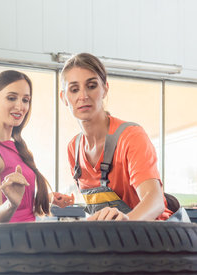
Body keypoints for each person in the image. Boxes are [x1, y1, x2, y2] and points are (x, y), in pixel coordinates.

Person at [59, 52, 174, 221]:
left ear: (105, 88)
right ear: (64, 98)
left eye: (91, 86)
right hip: (113, 242)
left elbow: (155, 202)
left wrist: (125, 226)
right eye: (74, 89)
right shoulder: (73, 150)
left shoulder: (130, 137)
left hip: (156, 239)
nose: (83, 96)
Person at [0, 70, 74, 223]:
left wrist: (49, 198)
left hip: (29, 238)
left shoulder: (15, 147)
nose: (20, 106)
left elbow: (21, 206)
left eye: (25, 100)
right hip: (10, 243)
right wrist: (11, 203)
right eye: (11, 98)